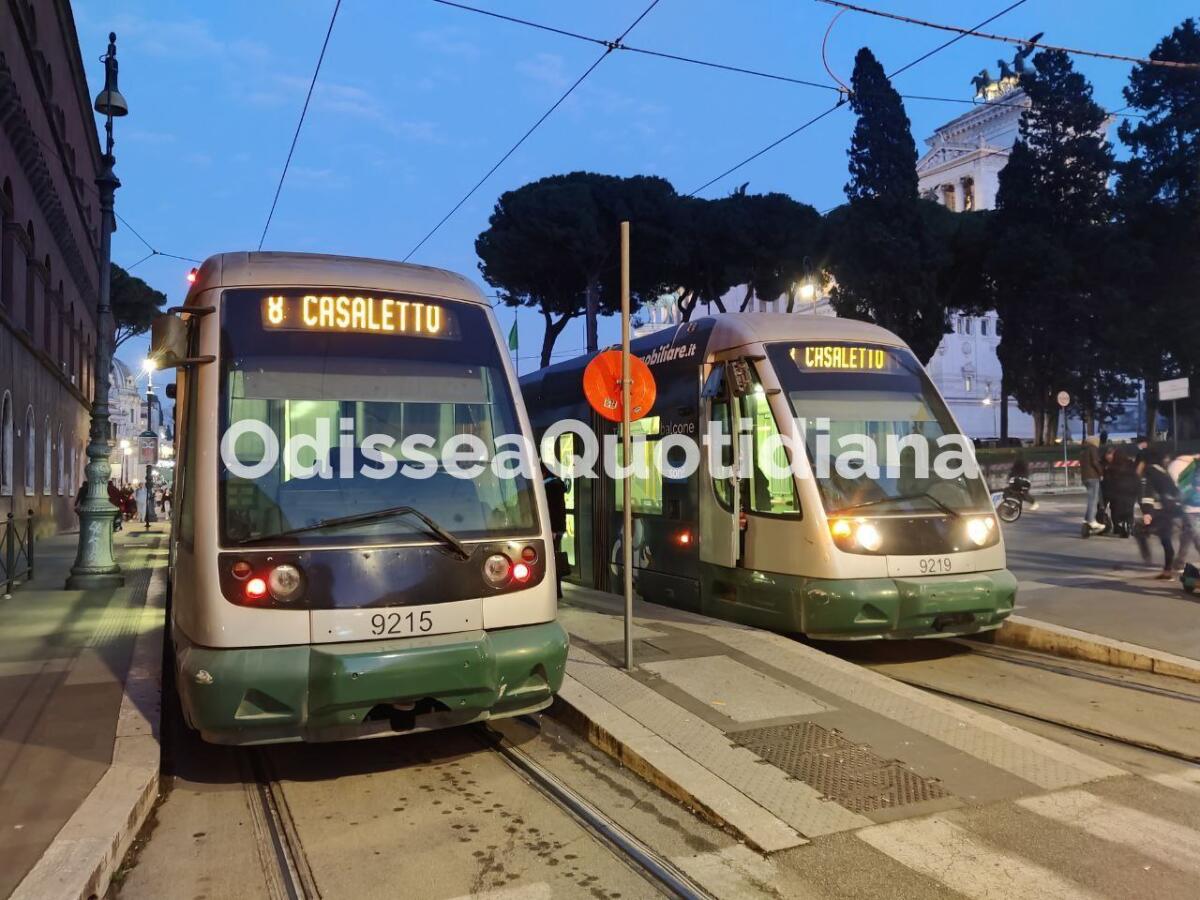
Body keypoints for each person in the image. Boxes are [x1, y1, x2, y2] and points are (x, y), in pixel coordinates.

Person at [1136, 447, 1184, 578]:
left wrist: (1147, 512)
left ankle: (1150, 559)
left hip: (1159, 511)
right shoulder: (1163, 471)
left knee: (1141, 530)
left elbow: (1147, 492)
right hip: (1171, 509)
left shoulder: (1149, 471)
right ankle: (1167, 569)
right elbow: (1175, 491)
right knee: (1165, 538)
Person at [1168, 452, 1200, 566]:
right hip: (1190, 506)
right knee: (1195, 533)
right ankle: (1180, 560)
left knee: (1188, 533)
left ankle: (1180, 560)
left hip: (1192, 505)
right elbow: (1178, 485)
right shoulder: (1178, 465)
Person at [542, 465, 567, 599]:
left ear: (544, 473)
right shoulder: (557, 485)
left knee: (552, 560)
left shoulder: (551, 487)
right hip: (557, 528)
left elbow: (553, 510)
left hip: (553, 529)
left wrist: (552, 529)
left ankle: (555, 590)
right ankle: (556, 590)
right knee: (554, 558)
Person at [1102, 446, 1137, 538]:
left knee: (1117, 509)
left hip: (1118, 492)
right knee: (1128, 509)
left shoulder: (1112, 467)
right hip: (1129, 491)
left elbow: (1108, 481)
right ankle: (1128, 526)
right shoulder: (1130, 464)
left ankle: (1120, 527)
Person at [1080, 435, 1104, 533]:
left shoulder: (1083, 451)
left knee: (1091, 498)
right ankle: (1091, 520)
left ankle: (1086, 519)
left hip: (1085, 477)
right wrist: (1101, 473)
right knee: (1093, 500)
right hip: (1093, 476)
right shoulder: (1092, 448)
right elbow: (1095, 462)